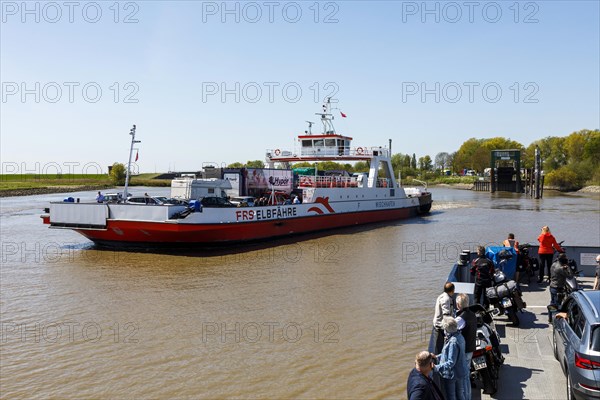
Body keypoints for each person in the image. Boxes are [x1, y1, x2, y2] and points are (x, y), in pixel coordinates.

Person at [433, 317, 468, 400]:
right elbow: (449, 354)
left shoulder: (452, 342)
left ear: (446, 329)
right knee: (460, 393)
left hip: (452, 374)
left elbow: (451, 362)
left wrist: (436, 367)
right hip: (460, 371)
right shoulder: (460, 336)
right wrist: (437, 356)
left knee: (451, 396)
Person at [455, 294, 476, 400]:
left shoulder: (460, 318)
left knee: (462, 378)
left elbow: (451, 330)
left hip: (464, 350)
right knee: (466, 375)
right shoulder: (473, 314)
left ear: (458, 305)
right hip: (471, 348)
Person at [432, 282, 455, 354]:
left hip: (438, 323)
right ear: (452, 290)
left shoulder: (441, 296)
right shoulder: (446, 299)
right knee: (441, 346)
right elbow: (446, 316)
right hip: (441, 326)